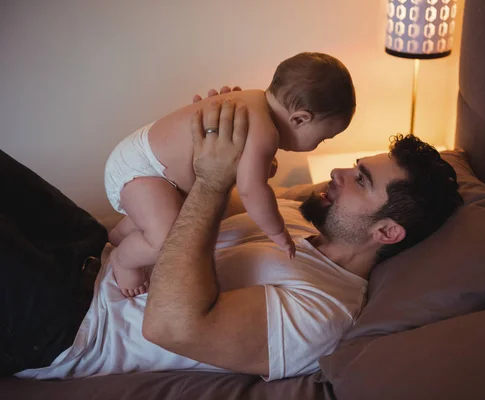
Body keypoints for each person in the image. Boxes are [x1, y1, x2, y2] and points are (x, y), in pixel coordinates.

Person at [15, 93, 462, 380]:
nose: (338, 171)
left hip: (70, 322)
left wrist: (213, 181)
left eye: (361, 180)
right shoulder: (294, 216)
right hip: (91, 246)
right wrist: (211, 139)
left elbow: (170, 326)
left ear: (386, 231)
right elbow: (190, 208)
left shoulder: (323, 311)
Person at [104, 52, 356, 297]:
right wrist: (277, 231)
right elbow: (251, 191)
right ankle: (124, 260)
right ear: (300, 119)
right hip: (143, 171)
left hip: (145, 158)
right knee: (168, 239)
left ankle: (120, 233)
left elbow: (239, 165)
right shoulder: (265, 132)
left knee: (171, 210)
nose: (317, 145)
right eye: (323, 139)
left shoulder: (252, 102)